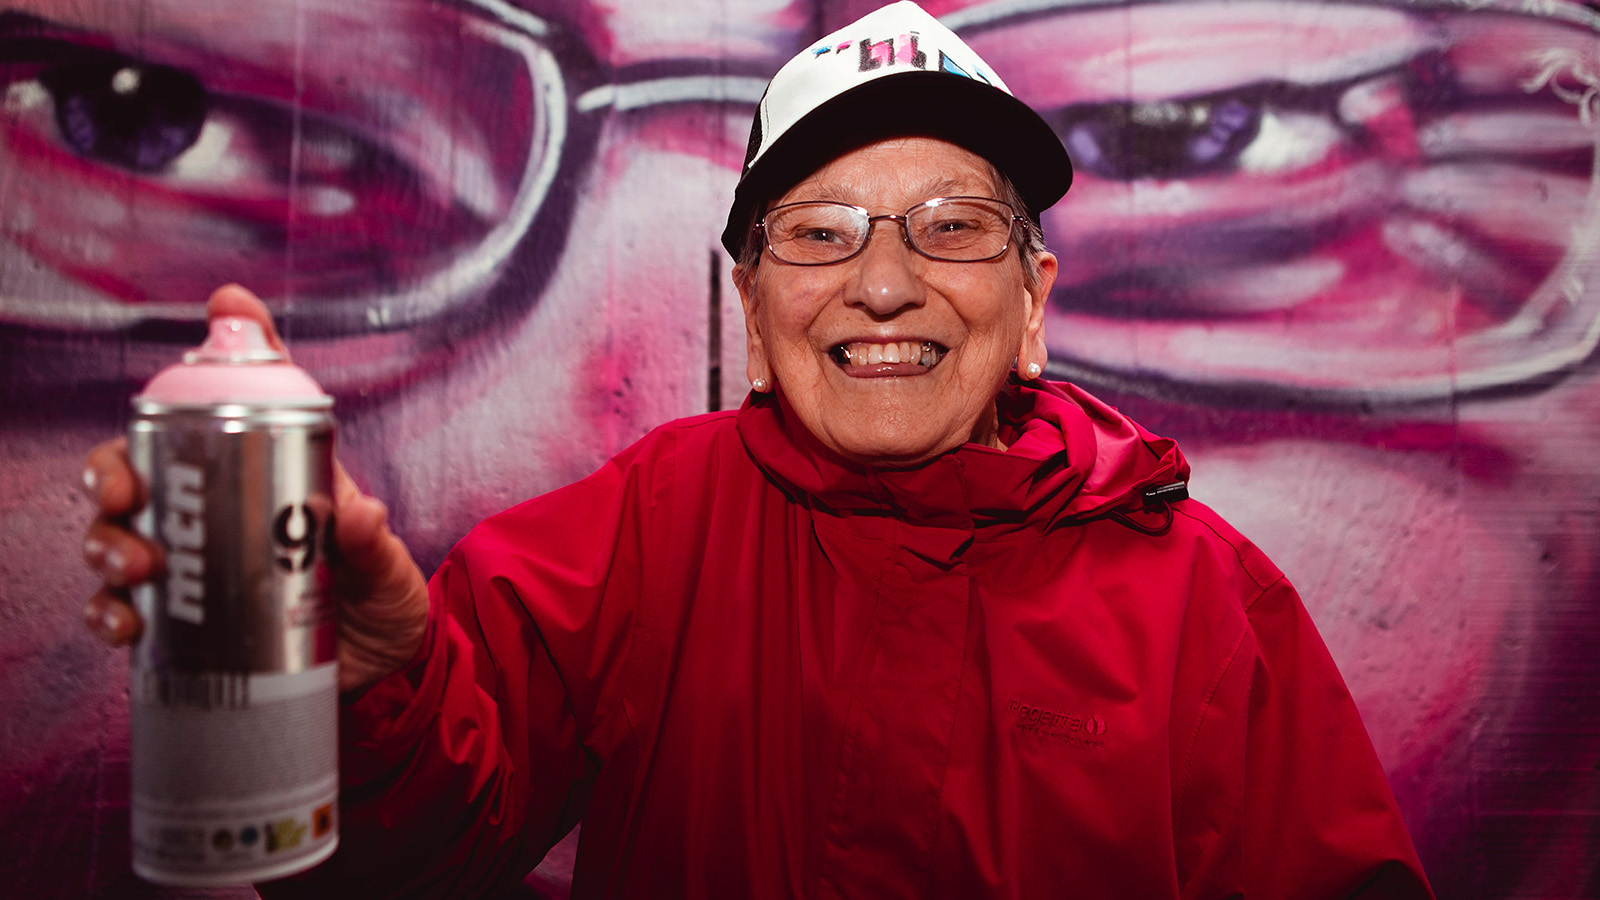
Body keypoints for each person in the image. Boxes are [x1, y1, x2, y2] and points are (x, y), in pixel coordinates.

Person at [79, 2, 1436, 896]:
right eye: (821, 232)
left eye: (954, 227)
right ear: (753, 305)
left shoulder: (1204, 595)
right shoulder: (648, 529)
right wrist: (364, 695)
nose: (885, 286)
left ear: (1031, 306)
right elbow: (427, 836)